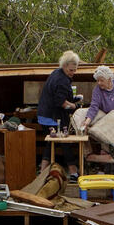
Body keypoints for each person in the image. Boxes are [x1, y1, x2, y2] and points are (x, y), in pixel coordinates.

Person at [37, 51, 81, 179]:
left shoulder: (56, 73)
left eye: (75, 70)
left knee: (50, 143)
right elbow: (61, 102)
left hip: (44, 115)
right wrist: (74, 106)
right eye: (71, 70)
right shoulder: (62, 80)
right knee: (64, 142)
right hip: (53, 118)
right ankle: (73, 172)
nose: (73, 73)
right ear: (64, 66)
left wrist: (74, 98)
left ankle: (42, 172)